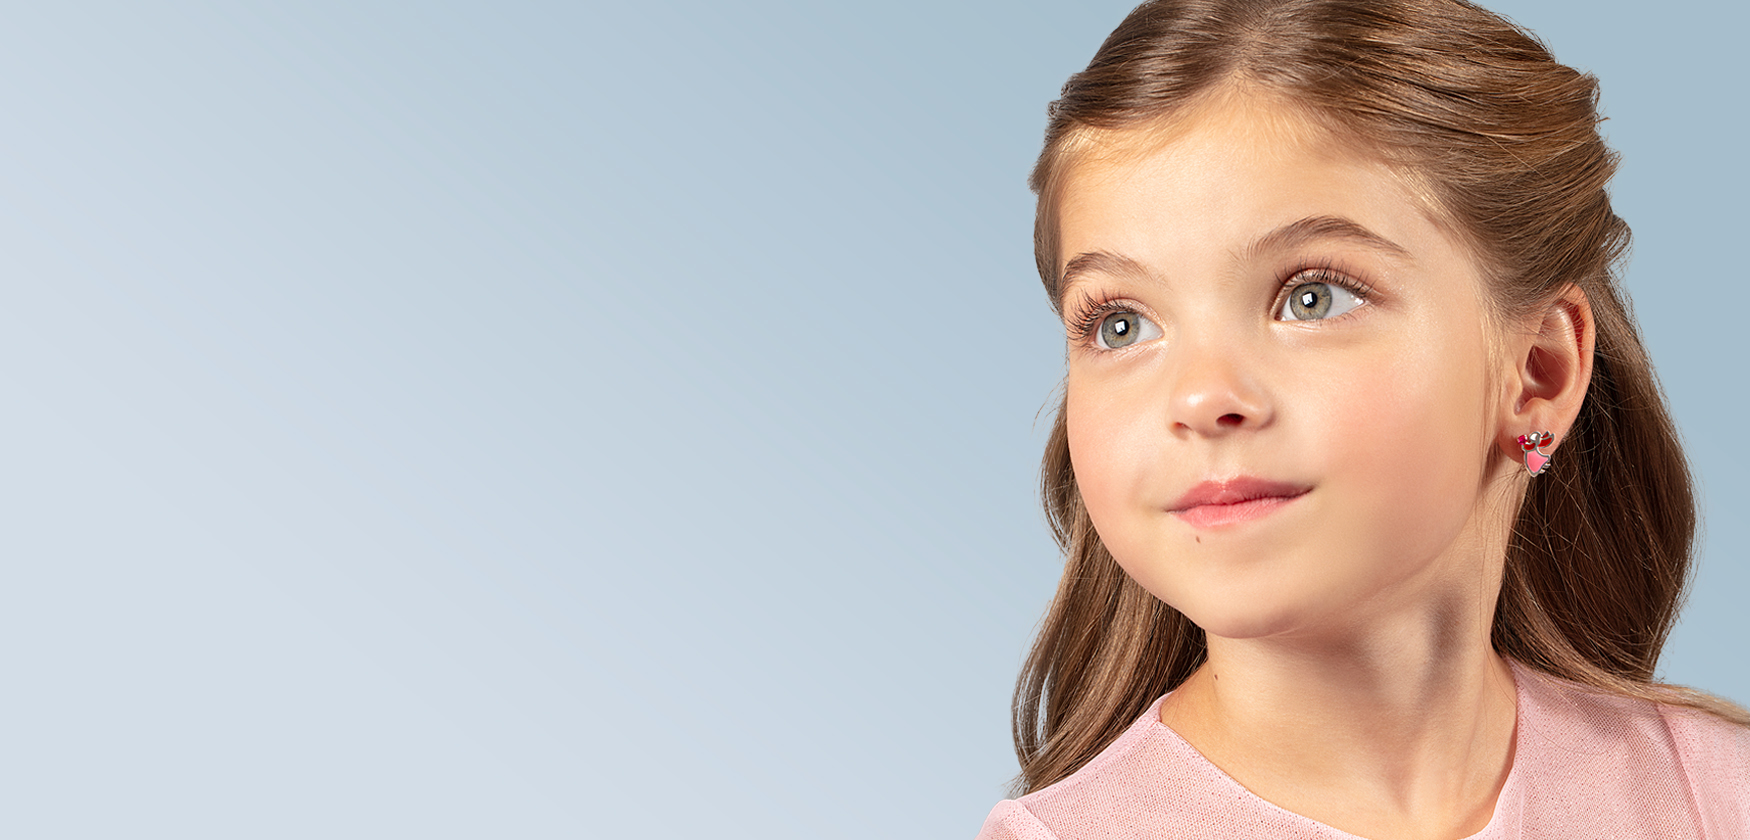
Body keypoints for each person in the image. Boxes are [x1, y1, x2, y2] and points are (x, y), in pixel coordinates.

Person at [975, 1, 1750, 837]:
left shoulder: (1715, 794)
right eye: (1121, 324)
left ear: (1536, 373)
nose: (1200, 398)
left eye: (1313, 297)